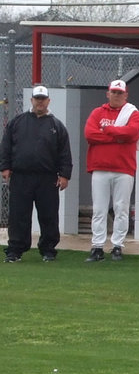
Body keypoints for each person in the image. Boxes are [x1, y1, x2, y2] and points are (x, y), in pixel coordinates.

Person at [1, 85, 72, 263]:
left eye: (43, 99)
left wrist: (64, 175)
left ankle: (48, 250)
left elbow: (64, 153)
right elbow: (6, 146)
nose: (40, 102)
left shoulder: (57, 126)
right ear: (31, 100)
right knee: (18, 215)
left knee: (48, 215)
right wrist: (5, 167)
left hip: (47, 178)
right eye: (37, 99)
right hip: (21, 176)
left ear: (48, 101)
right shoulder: (17, 122)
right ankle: (15, 250)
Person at [83, 79, 139, 262]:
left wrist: (107, 129)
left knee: (121, 208)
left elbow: (131, 133)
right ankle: (97, 246)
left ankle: (118, 245)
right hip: (100, 167)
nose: (116, 96)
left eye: (119, 93)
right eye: (113, 92)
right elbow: (89, 134)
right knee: (99, 209)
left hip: (124, 167)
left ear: (125, 95)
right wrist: (116, 135)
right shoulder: (97, 112)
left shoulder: (132, 113)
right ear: (108, 94)